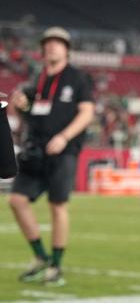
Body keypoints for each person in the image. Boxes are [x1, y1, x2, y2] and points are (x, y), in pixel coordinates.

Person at [7, 27, 94, 287]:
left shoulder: (78, 78)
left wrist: (64, 137)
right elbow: (32, 113)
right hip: (34, 150)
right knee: (16, 200)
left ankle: (56, 265)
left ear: (67, 49)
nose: (52, 47)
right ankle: (40, 257)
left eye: (57, 43)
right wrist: (23, 106)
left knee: (57, 206)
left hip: (63, 150)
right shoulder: (37, 78)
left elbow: (87, 113)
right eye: (48, 43)